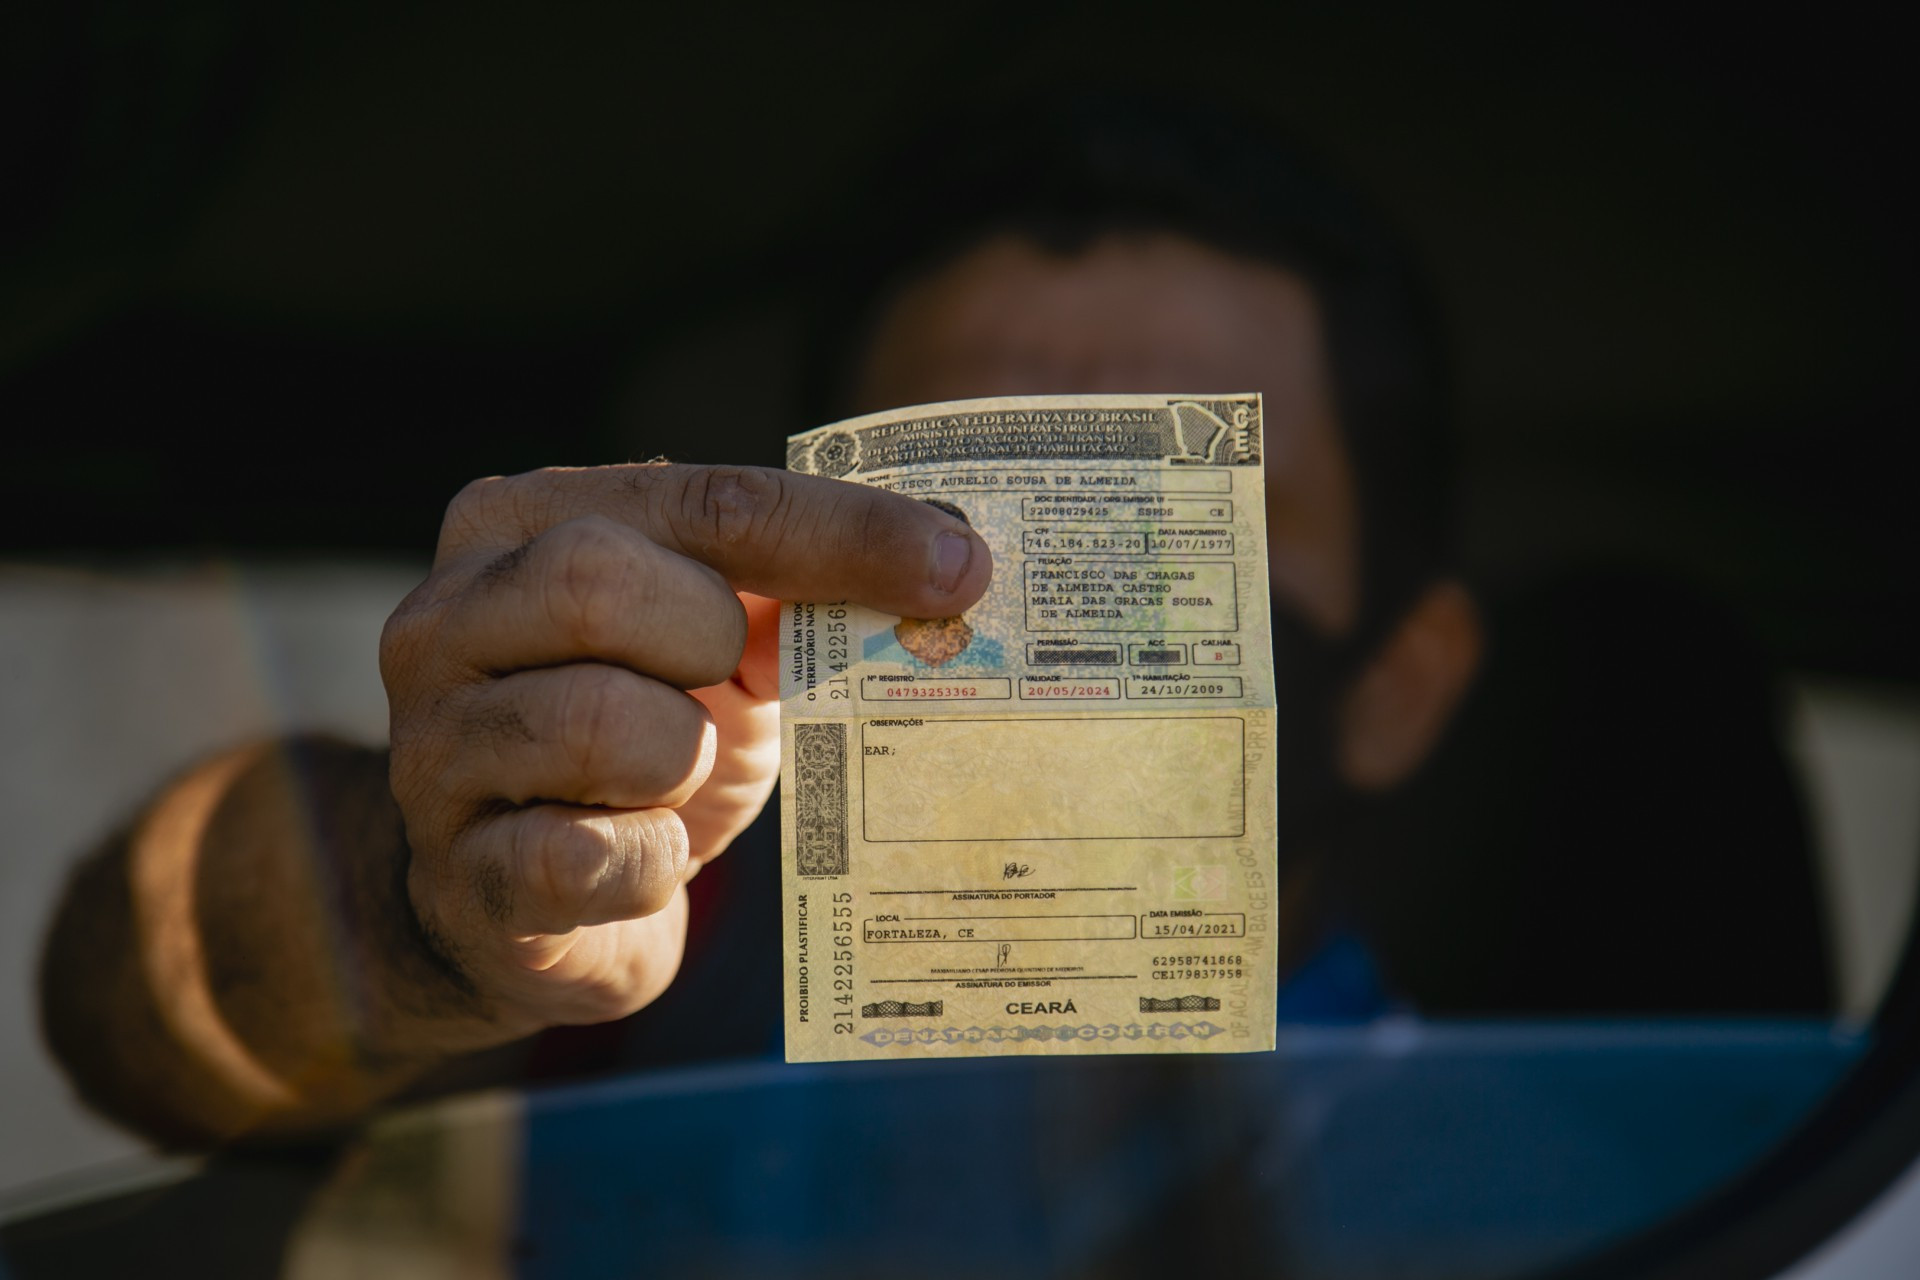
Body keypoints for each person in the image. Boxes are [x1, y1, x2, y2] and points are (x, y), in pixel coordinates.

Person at [36, 96, 1823, 1150]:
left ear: (1402, 686)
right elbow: (124, 1003)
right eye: (957, 513)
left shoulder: (1588, 1192)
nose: (1032, 595)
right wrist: (425, 906)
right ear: (820, 579)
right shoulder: (654, 938)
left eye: (1178, 528)